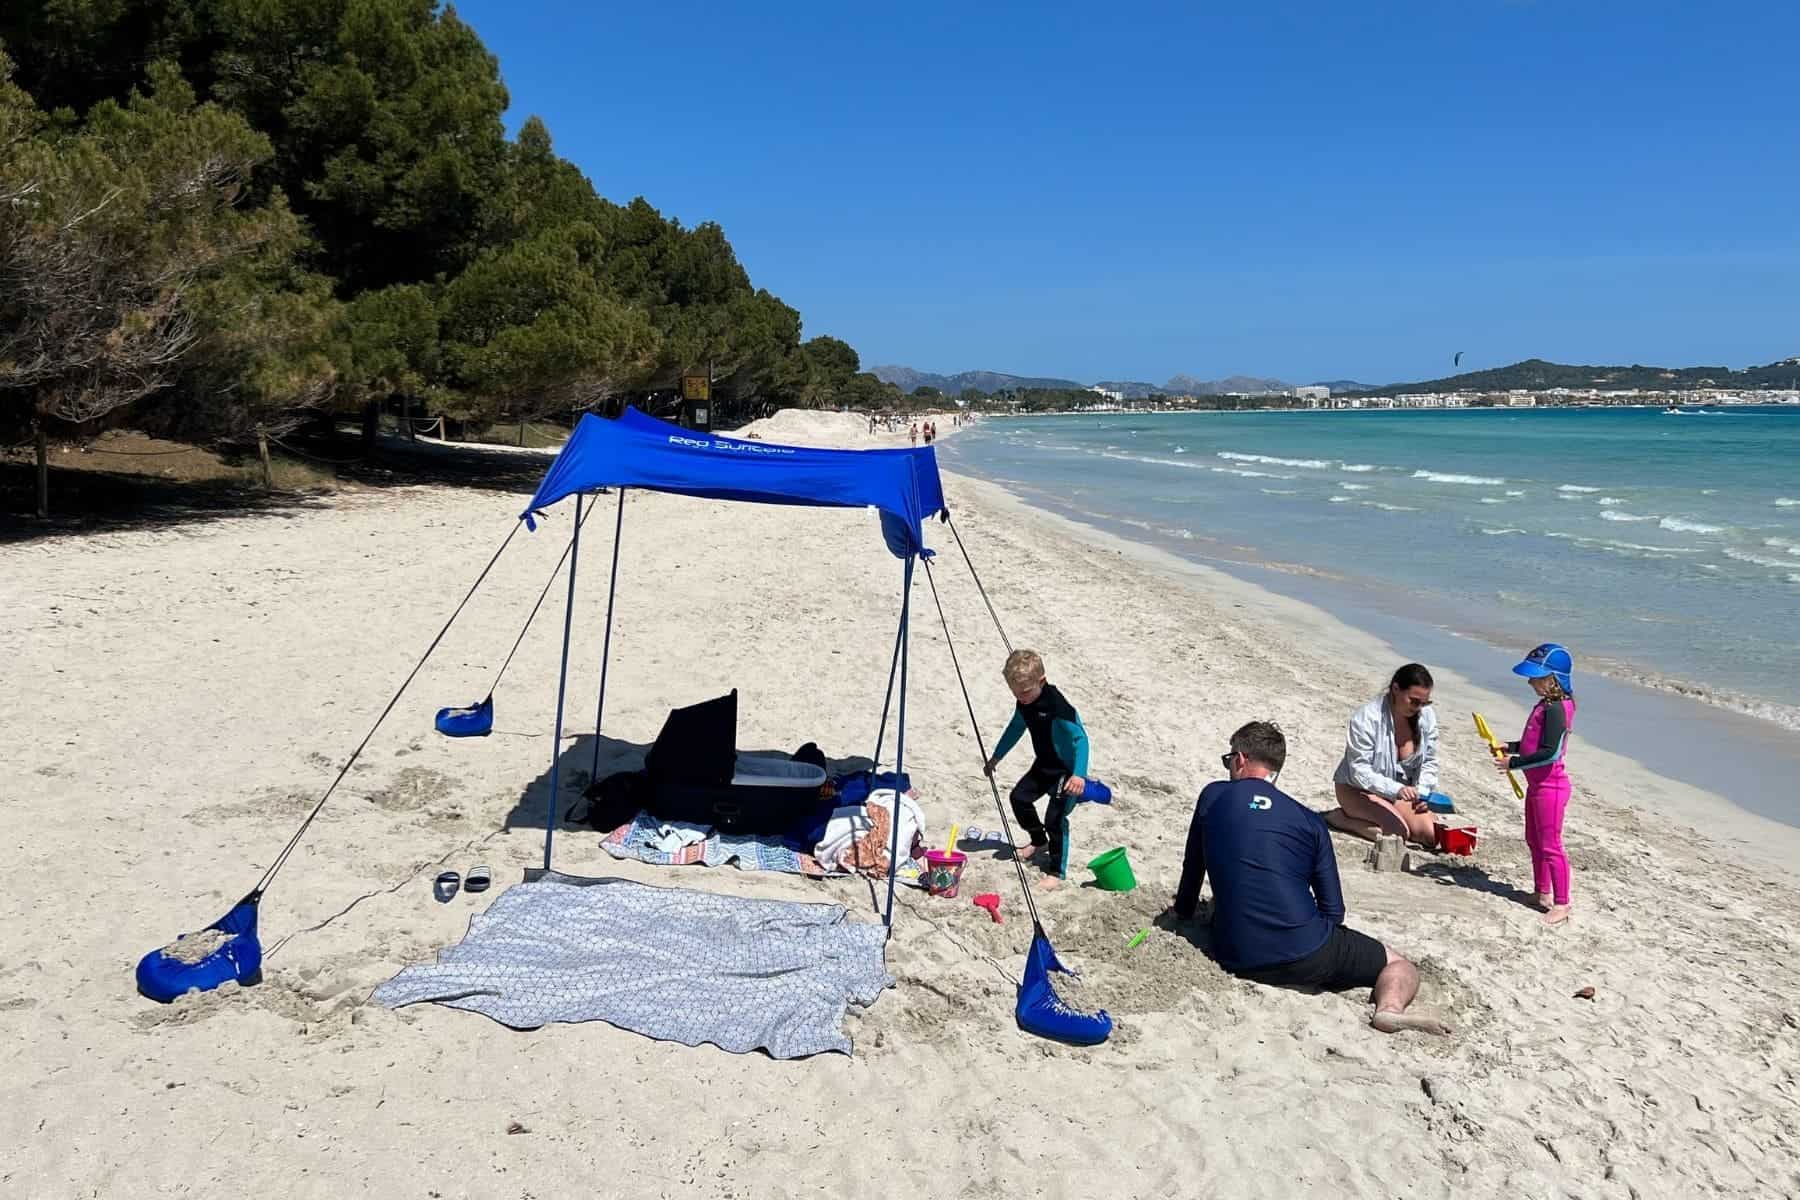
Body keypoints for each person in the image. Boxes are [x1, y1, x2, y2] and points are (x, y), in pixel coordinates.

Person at [1169, 721, 1450, 1035]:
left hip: (1234, 952)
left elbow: (1193, 868)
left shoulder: (1213, 796)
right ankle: (1388, 1009)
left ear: (1240, 759)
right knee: (1400, 965)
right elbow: (1334, 912)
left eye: (1228, 760)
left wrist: (1182, 912)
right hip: (1306, 954)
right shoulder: (1309, 821)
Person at [983, 649, 1090, 889]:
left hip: (1066, 771)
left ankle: (1056, 871)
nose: (1021, 698)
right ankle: (1038, 840)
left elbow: (1080, 740)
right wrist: (996, 758)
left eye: (1025, 692)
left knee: (1055, 818)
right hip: (1044, 764)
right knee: (1019, 798)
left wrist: (1079, 775)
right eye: (1016, 693)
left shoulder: (1056, 705)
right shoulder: (1025, 703)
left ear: (1041, 681)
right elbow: (1015, 728)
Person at [1494, 643, 1578, 926]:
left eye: (1536, 677)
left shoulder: (1557, 708)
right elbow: (1534, 745)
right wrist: (1512, 747)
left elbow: (1550, 752)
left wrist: (1513, 764)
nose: (1531, 682)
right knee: (1534, 839)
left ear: (1553, 679)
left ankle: (1562, 903)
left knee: (1551, 845)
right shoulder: (1546, 705)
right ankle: (1541, 891)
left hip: (1551, 787)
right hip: (1536, 785)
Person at [1330, 663, 1445, 848]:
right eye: (1414, 701)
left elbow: (1430, 761)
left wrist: (1423, 794)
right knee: (1398, 834)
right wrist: (1397, 790)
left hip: (1400, 792)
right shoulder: (1366, 718)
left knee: (1431, 834)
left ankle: (1391, 812)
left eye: (1424, 703)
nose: (1419, 708)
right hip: (1357, 789)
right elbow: (1359, 771)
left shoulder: (1426, 716)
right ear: (1396, 689)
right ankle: (1340, 819)